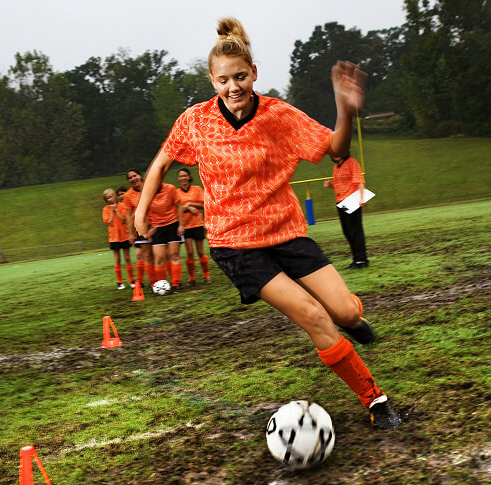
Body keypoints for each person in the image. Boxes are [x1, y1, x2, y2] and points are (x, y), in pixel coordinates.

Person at [135, 18, 400, 429]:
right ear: (212, 80)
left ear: (254, 73)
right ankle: (375, 399)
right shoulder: (195, 120)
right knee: (314, 316)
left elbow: (335, 150)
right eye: (223, 80)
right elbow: (163, 160)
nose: (233, 87)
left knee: (345, 311)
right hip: (235, 244)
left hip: (286, 232)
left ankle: (351, 323)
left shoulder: (279, 115)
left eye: (240, 76)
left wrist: (344, 110)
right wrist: (140, 210)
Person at [324, 155, 369, 269]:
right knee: (347, 232)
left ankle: (361, 260)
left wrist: (362, 198)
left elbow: (359, 181)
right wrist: (331, 186)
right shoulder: (336, 167)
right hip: (341, 201)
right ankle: (357, 259)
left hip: (352, 200)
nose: (336, 155)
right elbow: (342, 186)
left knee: (355, 230)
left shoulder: (352, 162)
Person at [143, 181, 185, 293]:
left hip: (173, 224)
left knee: (173, 255)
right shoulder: (147, 192)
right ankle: (161, 285)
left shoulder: (170, 188)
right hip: (157, 228)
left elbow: (179, 205)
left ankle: (176, 283)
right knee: (159, 258)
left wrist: (181, 225)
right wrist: (149, 229)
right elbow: (145, 211)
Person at [177, 167, 211, 286]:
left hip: (197, 224)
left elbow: (205, 204)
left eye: (185, 175)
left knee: (201, 251)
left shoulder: (196, 189)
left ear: (189, 177)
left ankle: (206, 275)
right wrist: (187, 207)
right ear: (178, 179)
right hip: (185, 226)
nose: (183, 178)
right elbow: (177, 209)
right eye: (181, 176)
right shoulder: (177, 193)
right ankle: (191, 277)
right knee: (190, 252)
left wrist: (191, 204)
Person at [122, 168, 156, 289]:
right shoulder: (128, 196)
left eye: (134, 176)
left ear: (140, 176)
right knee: (147, 256)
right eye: (130, 178)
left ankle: (167, 280)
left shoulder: (150, 186)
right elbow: (129, 216)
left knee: (161, 254)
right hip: (141, 228)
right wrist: (131, 233)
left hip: (156, 225)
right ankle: (153, 283)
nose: (133, 179)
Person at [102, 187, 134, 289]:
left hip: (124, 235)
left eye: (111, 196)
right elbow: (109, 222)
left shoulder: (122, 206)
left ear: (114, 197)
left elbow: (123, 220)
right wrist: (112, 211)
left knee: (127, 258)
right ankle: (120, 282)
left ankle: (131, 280)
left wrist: (116, 210)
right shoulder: (105, 209)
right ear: (106, 200)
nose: (110, 199)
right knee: (117, 259)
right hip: (114, 237)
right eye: (108, 198)